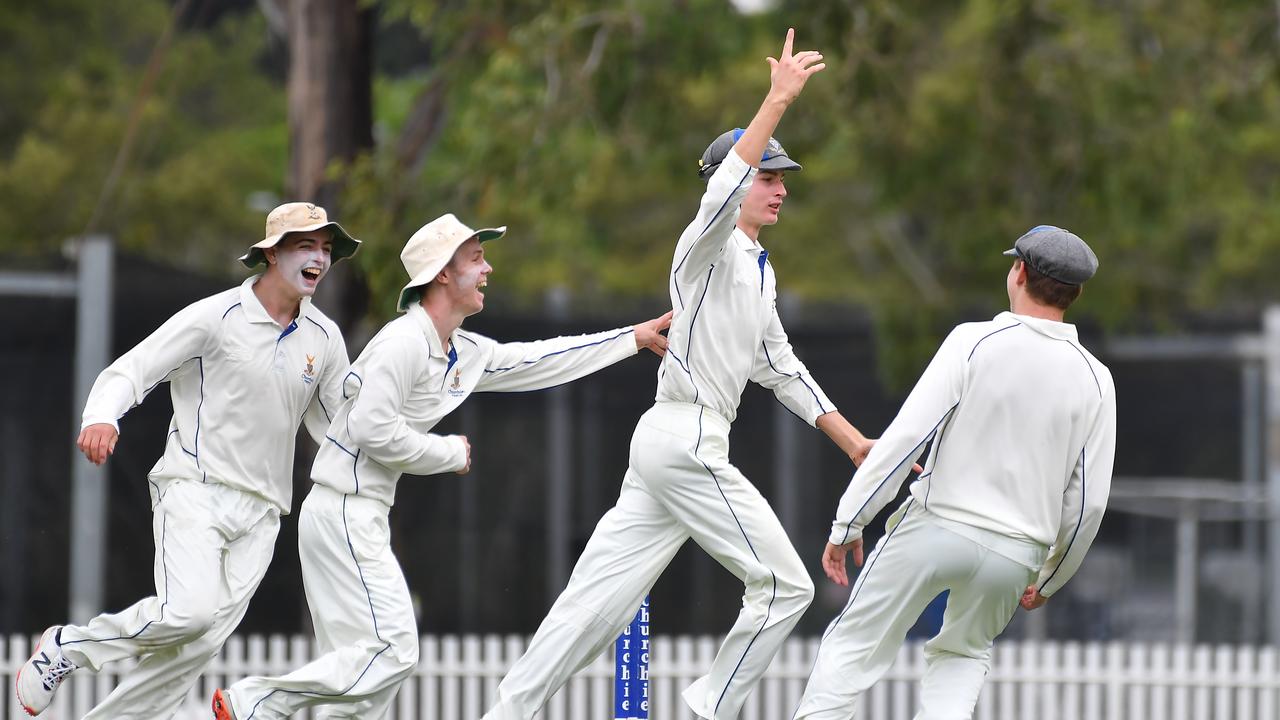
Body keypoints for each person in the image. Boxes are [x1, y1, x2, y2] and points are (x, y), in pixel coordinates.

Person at [485, 29, 880, 720]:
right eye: (768, 174)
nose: (779, 187)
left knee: (592, 606)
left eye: (783, 177)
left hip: (673, 448)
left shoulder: (759, 267)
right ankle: (707, 710)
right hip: (687, 441)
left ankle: (503, 713)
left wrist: (854, 444)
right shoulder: (706, 246)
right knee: (786, 586)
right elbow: (724, 190)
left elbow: (782, 368)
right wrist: (777, 100)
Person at [210, 213, 672, 720]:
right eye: (476, 259)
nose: (488, 268)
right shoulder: (402, 342)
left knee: (361, 686)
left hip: (351, 514)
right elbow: (370, 428)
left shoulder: (462, 351)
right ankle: (252, 703)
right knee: (393, 652)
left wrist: (632, 338)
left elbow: (536, 361)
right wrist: (446, 453)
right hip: (343, 512)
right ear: (443, 275)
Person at [15, 202, 360, 718]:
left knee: (193, 648)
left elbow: (339, 428)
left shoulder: (325, 338)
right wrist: (102, 417)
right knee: (189, 613)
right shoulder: (216, 318)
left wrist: (388, 447)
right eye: (306, 245)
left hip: (264, 514)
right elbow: (133, 369)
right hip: (194, 490)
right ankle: (69, 647)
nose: (319, 258)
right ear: (271, 255)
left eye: (327, 249)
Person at [792, 226, 1117, 719]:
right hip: (1017, 552)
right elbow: (1089, 502)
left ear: (1020, 273)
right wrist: (1050, 578)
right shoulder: (1096, 378)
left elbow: (905, 440)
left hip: (937, 523)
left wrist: (849, 522)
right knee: (963, 655)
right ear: (1076, 292)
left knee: (855, 643)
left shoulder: (974, 341)